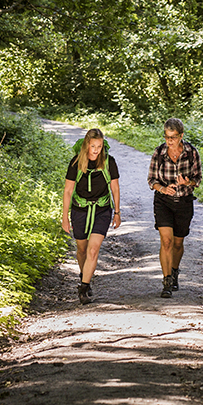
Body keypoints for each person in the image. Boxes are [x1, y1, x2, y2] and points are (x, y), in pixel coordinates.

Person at [61, 128, 121, 304]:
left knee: (93, 249)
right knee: (82, 250)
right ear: (86, 145)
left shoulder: (109, 162)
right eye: (93, 146)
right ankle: (84, 275)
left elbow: (115, 188)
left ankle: (84, 287)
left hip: (102, 210)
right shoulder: (76, 163)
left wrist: (117, 212)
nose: (96, 150)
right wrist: (65, 217)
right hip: (80, 210)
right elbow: (68, 191)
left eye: (99, 146)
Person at [147, 117, 201, 298]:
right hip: (163, 202)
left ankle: (174, 271)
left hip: (184, 202)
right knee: (166, 241)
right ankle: (167, 281)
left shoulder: (191, 153)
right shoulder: (159, 153)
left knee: (178, 243)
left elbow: (198, 179)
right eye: (167, 137)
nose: (169, 141)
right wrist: (162, 188)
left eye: (173, 137)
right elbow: (151, 180)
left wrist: (188, 182)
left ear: (181, 136)